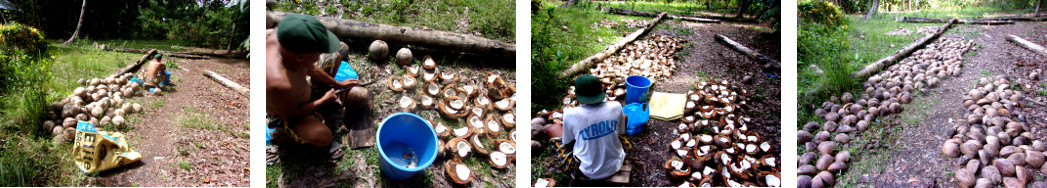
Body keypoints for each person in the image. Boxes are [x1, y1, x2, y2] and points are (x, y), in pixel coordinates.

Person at [265, 14, 365, 155]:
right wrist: (323, 101)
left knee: (333, 56)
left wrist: (338, 83)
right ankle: (290, 137)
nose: (319, 57)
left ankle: (320, 96)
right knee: (324, 136)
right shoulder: (278, 84)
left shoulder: (285, 40)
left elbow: (311, 68)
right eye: (316, 54)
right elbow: (292, 115)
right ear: (300, 57)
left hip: (300, 91)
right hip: (289, 113)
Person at [546, 74, 631, 181]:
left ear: (576, 94)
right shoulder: (616, 106)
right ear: (601, 91)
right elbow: (621, 133)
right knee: (623, 117)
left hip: (587, 170)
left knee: (552, 128)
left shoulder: (570, 114)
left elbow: (567, 142)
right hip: (616, 164)